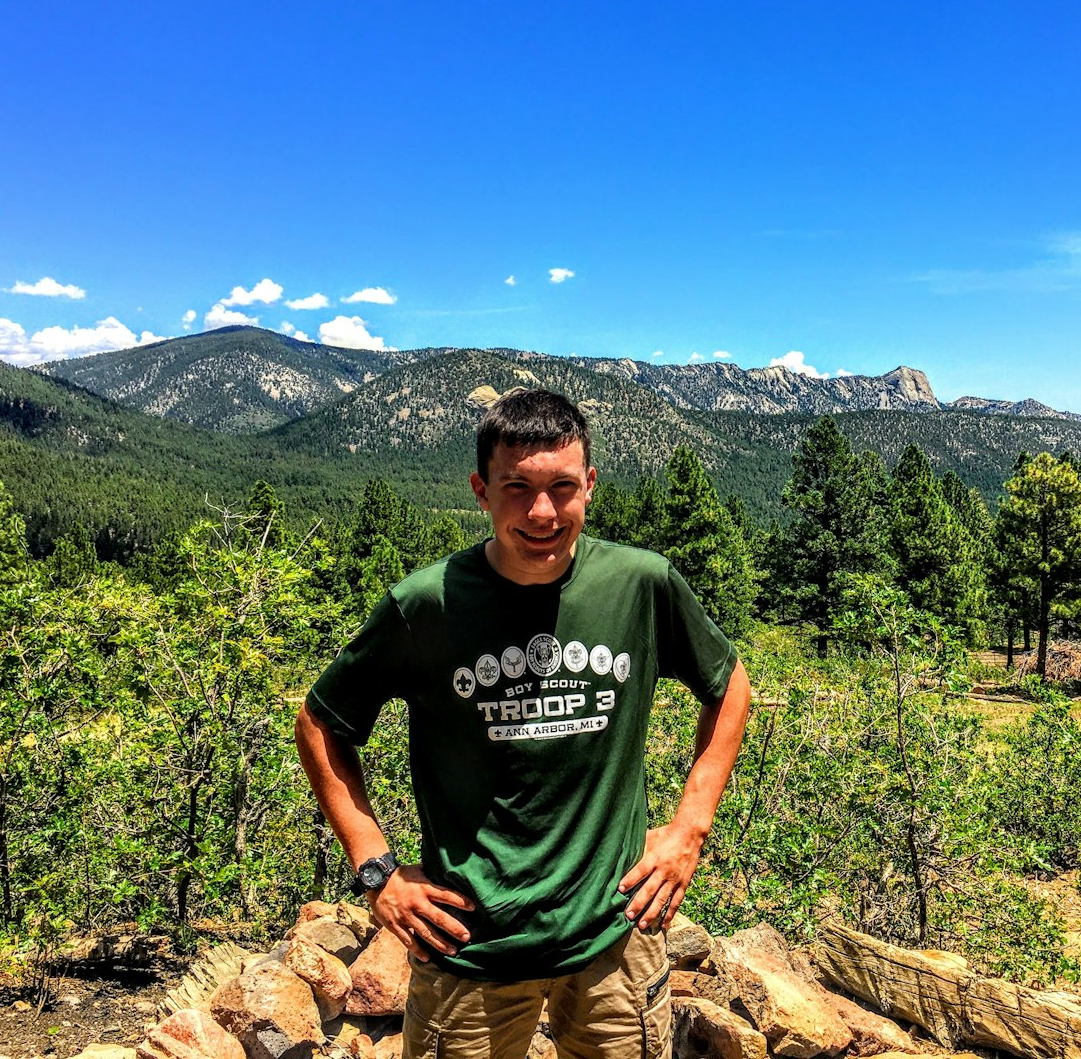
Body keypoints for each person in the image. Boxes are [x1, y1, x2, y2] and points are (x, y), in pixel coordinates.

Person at [295, 388, 751, 1059]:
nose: (542, 512)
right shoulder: (428, 604)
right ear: (482, 490)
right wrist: (375, 868)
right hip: (470, 942)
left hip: (614, 933)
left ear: (590, 486)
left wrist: (690, 825)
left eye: (562, 487)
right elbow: (320, 723)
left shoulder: (640, 585)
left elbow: (729, 685)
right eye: (517, 489)